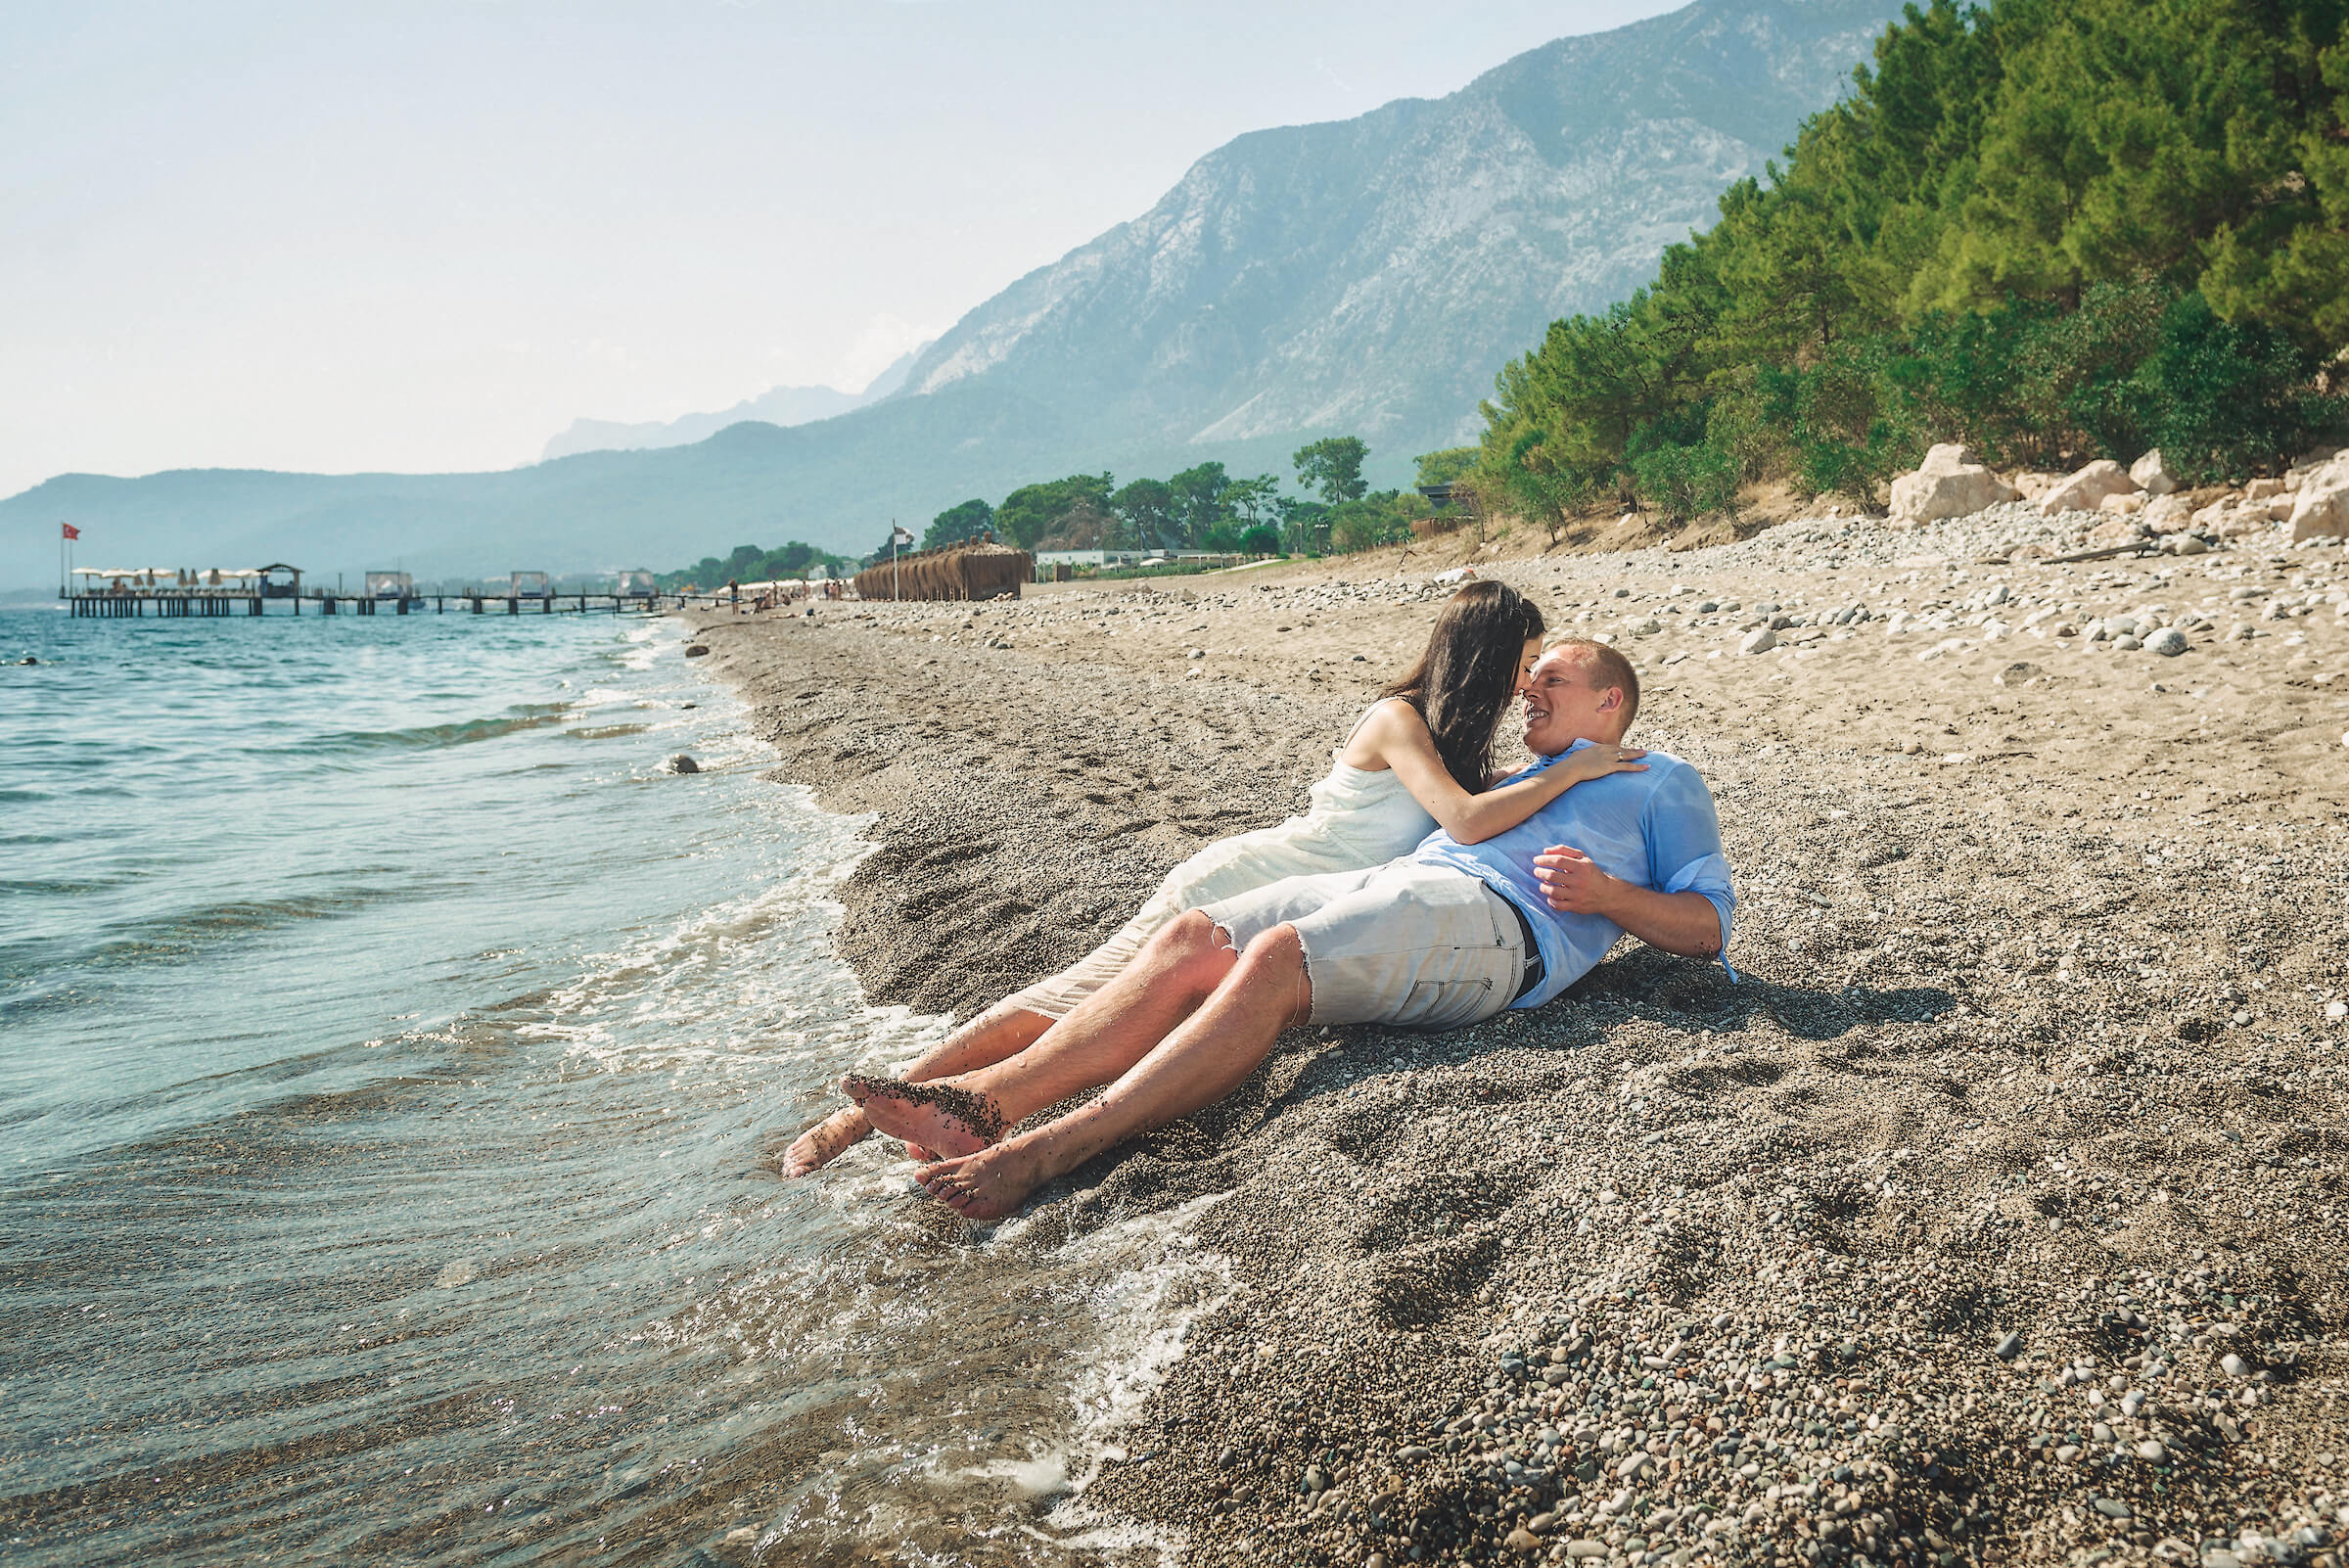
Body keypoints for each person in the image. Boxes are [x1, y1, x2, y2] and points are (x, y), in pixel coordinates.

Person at [781, 581, 1650, 1176]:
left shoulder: (1455, 746)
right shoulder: (1397, 719)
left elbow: (1480, 809)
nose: (1524, 680)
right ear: (1483, 650)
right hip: (1239, 879)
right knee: (1068, 999)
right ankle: (856, 1122)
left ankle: (948, 1113)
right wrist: (1575, 772)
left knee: (1088, 1005)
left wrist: (1581, 775)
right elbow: (1464, 822)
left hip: (1278, 901)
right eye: (1521, 658)